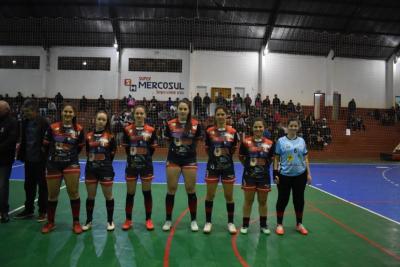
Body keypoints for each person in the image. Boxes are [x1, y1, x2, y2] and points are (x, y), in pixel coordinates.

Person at [41, 104, 85, 234]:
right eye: (65, 111)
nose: (67, 114)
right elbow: (45, 145)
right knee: (52, 195)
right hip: (53, 165)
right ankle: (50, 222)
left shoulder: (79, 129)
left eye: (70, 112)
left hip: (71, 164)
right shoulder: (52, 127)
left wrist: (68, 155)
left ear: (74, 114)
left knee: (73, 192)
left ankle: (76, 222)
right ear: (62, 113)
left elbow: (79, 147)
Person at [162, 100, 202, 231]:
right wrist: (176, 152)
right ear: (177, 110)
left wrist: (187, 151)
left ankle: (193, 220)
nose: (183, 111)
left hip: (189, 159)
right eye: (181, 108)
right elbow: (168, 141)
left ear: (189, 110)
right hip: (173, 159)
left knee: (191, 189)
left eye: (185, 109)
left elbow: (196, 141)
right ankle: (168, 220)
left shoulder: (196, 125)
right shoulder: (170, 124)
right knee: (171, 189)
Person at [203, 106, 239, 234]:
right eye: (218, 114)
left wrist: (224, 158)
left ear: (226, 115)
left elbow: (233, 149)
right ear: (215, 116)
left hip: (227, 167)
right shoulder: (209, 131)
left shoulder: (233, 132)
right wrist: (215, 159)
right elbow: (207, 149)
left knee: (229, 196)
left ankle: (230, 223)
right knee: (210, 195)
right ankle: (208, 222)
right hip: (213, 167)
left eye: (222, 114)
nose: (220, 116)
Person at [274, 118, 312, 236]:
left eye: (296, 126)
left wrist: (308, 173)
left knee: (299, 200)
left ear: (298, 127)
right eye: (292, 126)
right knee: (282, 200)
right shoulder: (280, 141)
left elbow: (305, 158)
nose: (294, 128)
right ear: (288, 126)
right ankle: (279, 224)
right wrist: (275, 173)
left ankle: (299, 224)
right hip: (284, 175)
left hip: (300, 175)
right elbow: (276, 158)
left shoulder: (301, 141)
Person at [121, 105, 157, 231]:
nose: (139, 115)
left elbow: (152, 149)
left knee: (146, 193)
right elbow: (126, 148)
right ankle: (128, 220)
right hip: (131, 166)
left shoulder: (151, 130)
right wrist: (134, 158)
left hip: (146, 166)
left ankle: (148, 219)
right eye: (137, 113)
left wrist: (143, 157)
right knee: (130, 193)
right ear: (134, 114)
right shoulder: (127, 130)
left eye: (142, 113)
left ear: (145, 115)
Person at [82, 110, 117, 231]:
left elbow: (112, 153)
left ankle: (110, 221)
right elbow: (88, 153)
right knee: (90, 196)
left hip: (106, 169)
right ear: (95, 120)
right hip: (91, 170)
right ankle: (88, 221)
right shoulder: (88, 136)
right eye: (99, 119)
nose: (101, 121)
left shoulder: (111, 136)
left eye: (103, 120)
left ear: (106, 122)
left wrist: (103, 163)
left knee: (108, 196)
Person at [15, 100, 49, 222]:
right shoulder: (24, 122)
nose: (25, 114)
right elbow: (23, 139)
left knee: (42, 186)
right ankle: (29, 210)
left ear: (35, 110)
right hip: (28, 159)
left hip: (41, 160)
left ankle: (43, 211)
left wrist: (46, 154)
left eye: (28, 112)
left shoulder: (44, 122)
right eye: (24, 112)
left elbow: (49, 140)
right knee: (28, 186)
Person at [239, 118, 274, 234]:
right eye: (256, 127)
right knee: (248, 201)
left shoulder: (269, 143)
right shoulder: (245, 142)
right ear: (252, 128)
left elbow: (271, 159)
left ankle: (263, 226)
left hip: (264, 176)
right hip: (249, 176)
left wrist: (263, 168)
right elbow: (241, 157)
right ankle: (245, 225)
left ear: (264, 128)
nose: (258, 129)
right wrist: (248, 167)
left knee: (263, 202)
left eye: (260, 127)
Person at [0, 101, 18, 223]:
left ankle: (4, 211)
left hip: (5, 159)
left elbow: (12, 140)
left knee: (2, 185)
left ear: (6, 110)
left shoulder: (13, 122)